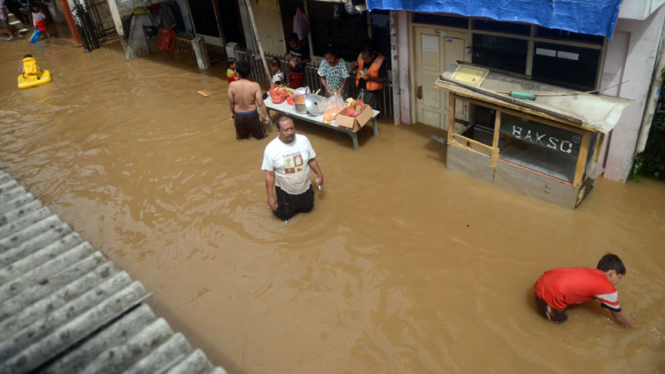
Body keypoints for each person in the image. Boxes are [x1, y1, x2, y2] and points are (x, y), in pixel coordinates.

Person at [533, 253, 636, 328]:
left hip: (544, 279)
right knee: (560, 323)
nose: (618, 282)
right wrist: (633, 328)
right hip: (546, 294)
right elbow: (619, 315)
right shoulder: (608, 289)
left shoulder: (588, 271)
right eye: (619, 278)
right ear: (612, 274)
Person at [262, 116, 324, 221]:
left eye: (292, 128)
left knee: (308, 211)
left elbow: (311, 159)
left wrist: (320, 175)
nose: (290, 132)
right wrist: (270, 197)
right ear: (278, 131)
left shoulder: (303, 140)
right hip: (285, 192)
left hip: (305, 188)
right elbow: (269, 174)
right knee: (286, 217)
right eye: (286, 130)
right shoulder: (271, 149)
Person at [228, 61, 269, 140]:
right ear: (249, 73)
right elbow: (260, 103)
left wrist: (232, 112)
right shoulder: (255, 85)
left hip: (239, 115)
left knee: (242, 139)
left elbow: (231, 102)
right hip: (252, 115)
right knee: (262, 138)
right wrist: (266, 116)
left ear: (237, 73)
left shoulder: (232, 85)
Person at [356, 45, 388, 110]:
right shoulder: (362, 57)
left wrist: (370, 79)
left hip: (371, 93)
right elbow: (357, 68)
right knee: (358, 110)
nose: (364, 60)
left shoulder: (380, 62)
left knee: (370, 112)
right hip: (360, 90)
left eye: (366, 59)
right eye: (363, 58)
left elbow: (385, 79)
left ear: (372, 56)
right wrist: (354, 66)